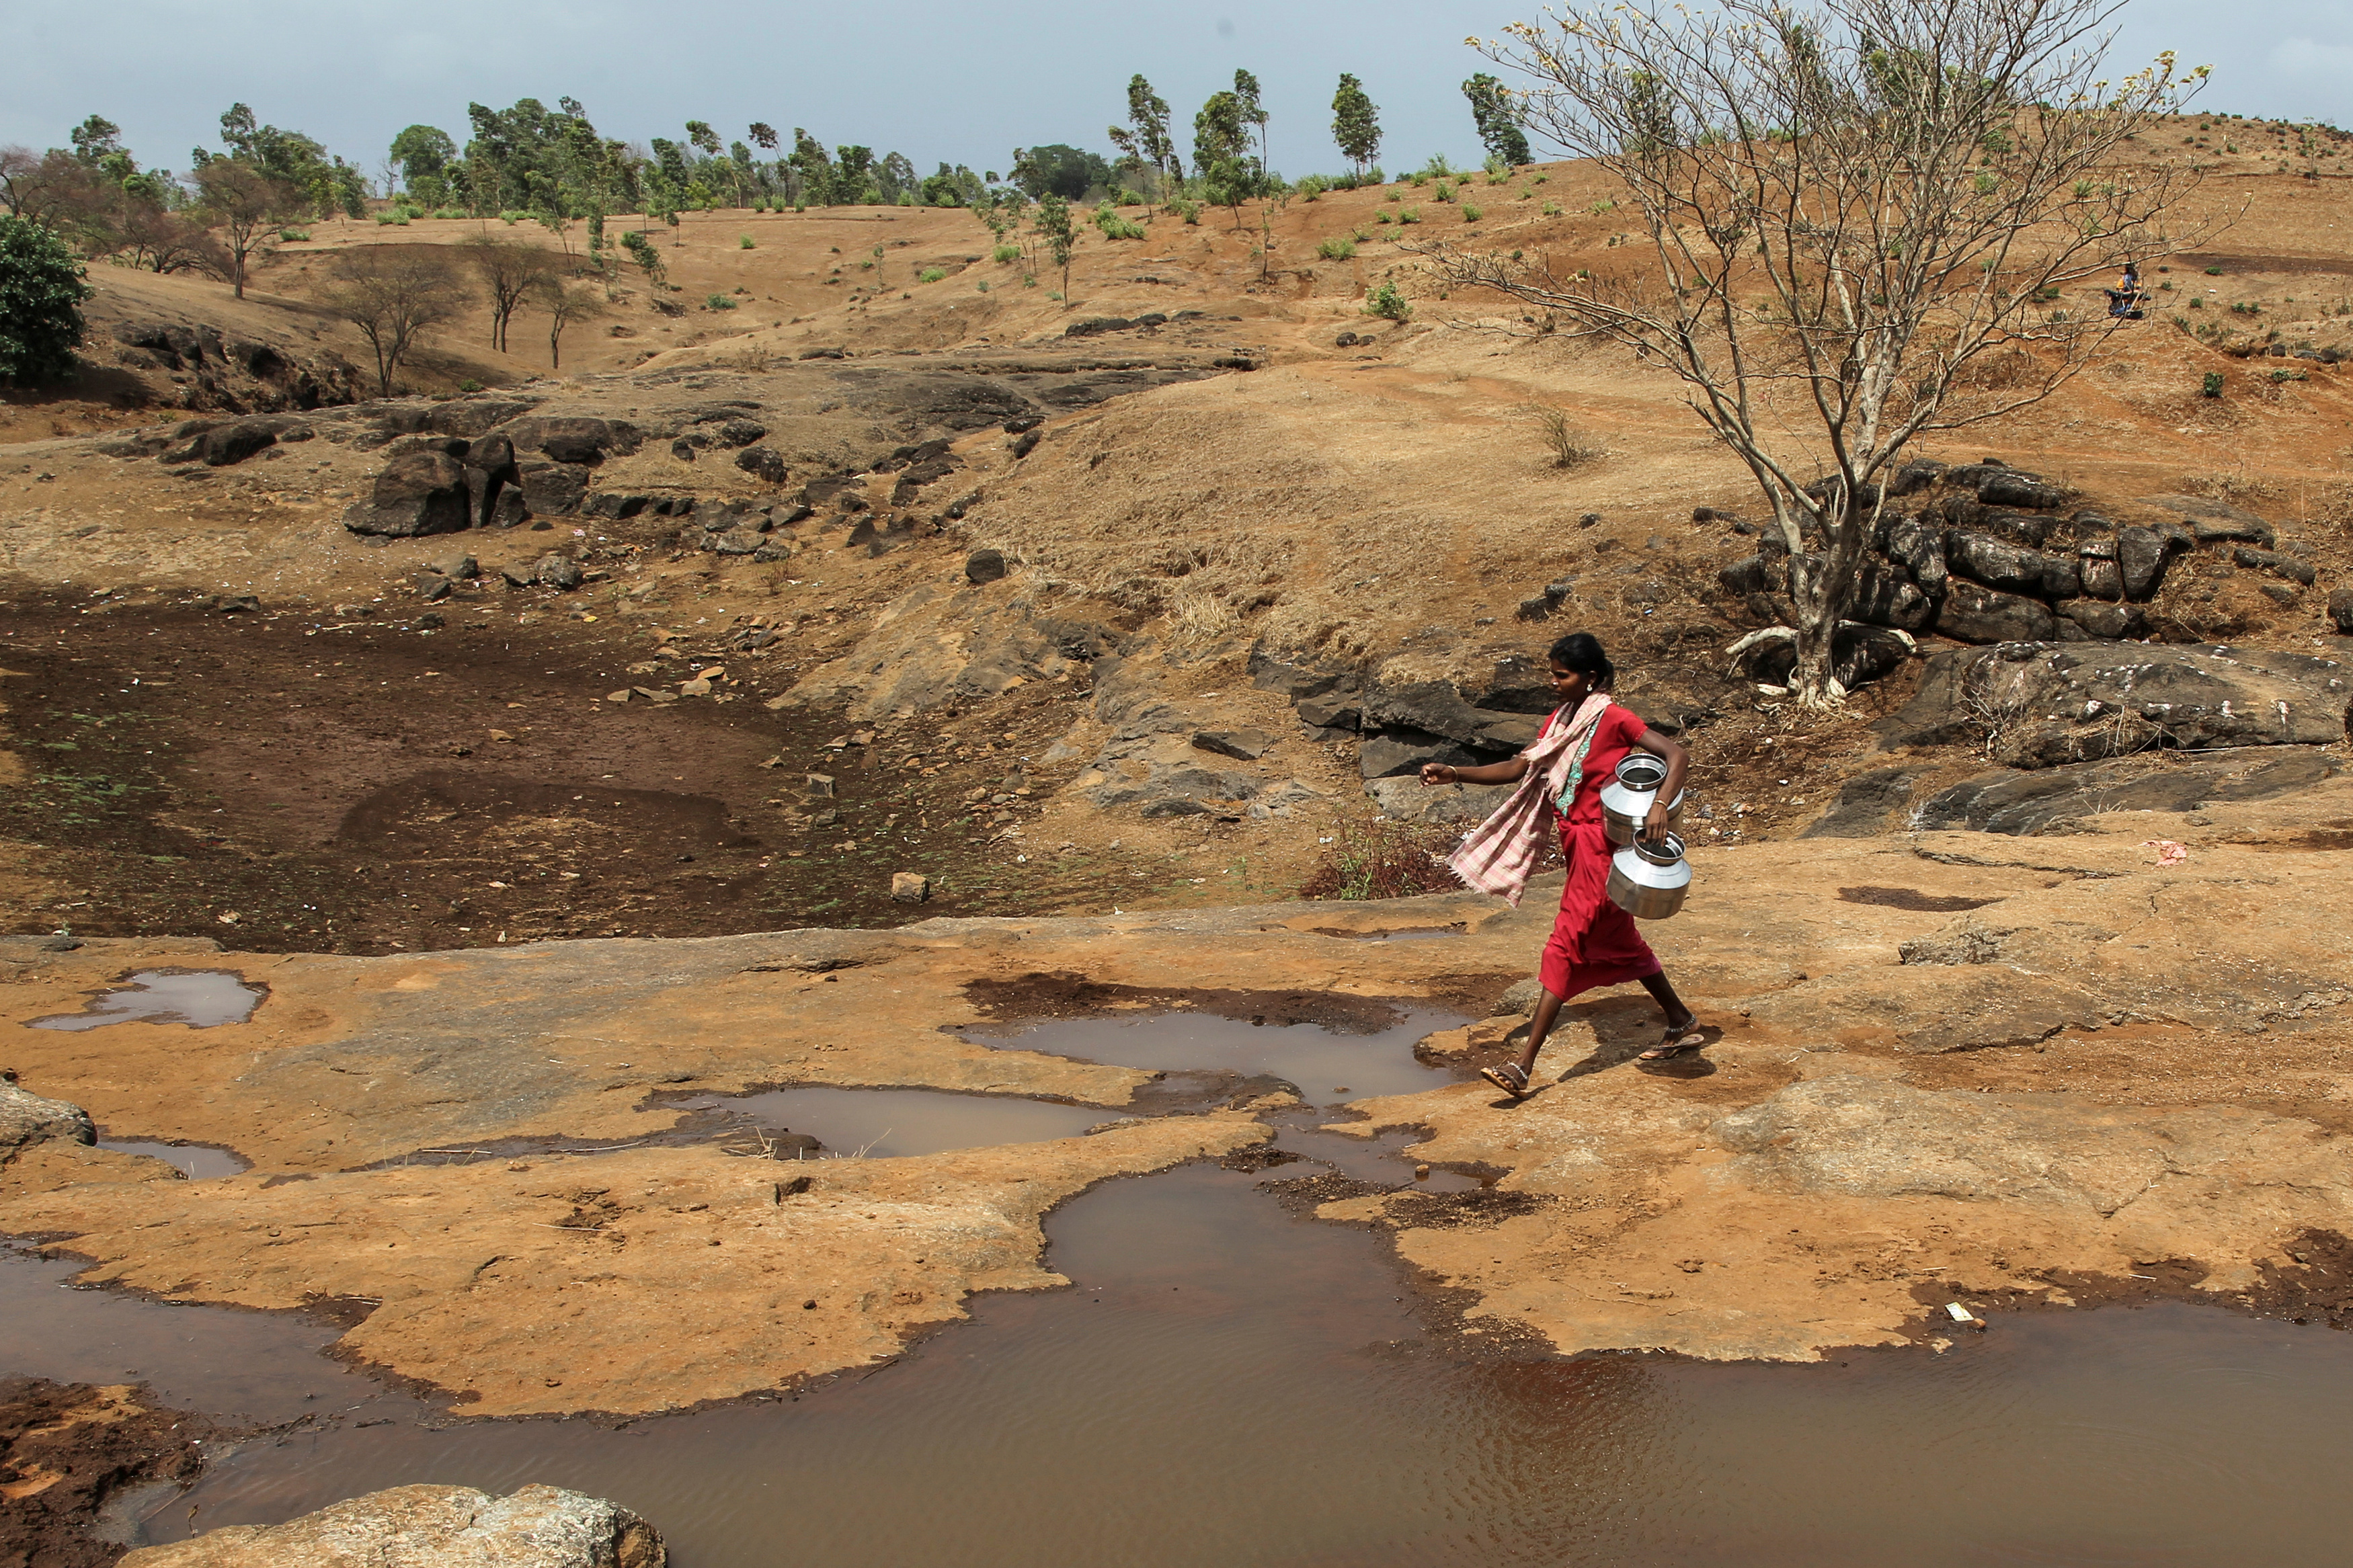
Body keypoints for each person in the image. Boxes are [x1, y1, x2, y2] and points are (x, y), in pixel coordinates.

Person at [1419, 632, 1700, 1097]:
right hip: (1577, 845)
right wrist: (1455, 773)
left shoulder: (1614, 718)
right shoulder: (1561, 720)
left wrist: (1659, 806)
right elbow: (1519, 768)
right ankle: (1681, 1021)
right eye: (1552, 674)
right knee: (1618, 940)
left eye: (1562, 675)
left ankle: (1523, 1064)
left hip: (1603, 846)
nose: (1553, 682)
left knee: (1567, 942)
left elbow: (1677, 755)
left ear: (1590, 678)